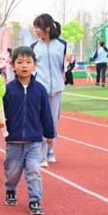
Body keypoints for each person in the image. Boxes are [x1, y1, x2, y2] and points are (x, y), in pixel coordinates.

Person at [0, 46, 54, 215]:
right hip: (14, 140)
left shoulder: (40, 90)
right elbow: (1, 111)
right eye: (20, 62)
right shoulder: (8, 89)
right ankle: (10, 189)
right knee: (12, 172)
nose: (24, 65)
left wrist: (49, 134)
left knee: (34, 171)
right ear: (13, 65)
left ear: (35, 65)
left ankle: (34, 200)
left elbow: (46, 113)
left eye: (28, 62)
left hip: (34, 140)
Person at [31, 14, 66, 167]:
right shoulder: (34, 47)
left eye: (38, 27)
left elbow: (65, 67)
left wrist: (70, 63)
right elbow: (32, 67)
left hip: (57, 89)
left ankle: (50, 151)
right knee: (41, 121)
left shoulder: (62, 45)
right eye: (35, 27)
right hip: (40, 90)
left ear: (47, 28)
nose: (36, 30)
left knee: (53, 123)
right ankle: (41, 155)